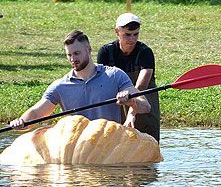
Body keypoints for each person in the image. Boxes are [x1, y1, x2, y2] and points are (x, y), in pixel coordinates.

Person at [9, 30, 151, 131]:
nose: (72, 59)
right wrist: (21, 122)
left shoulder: (115, 75)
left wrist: (131, 101)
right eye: (69, 55)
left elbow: (145, 106)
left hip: (109, 146)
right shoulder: (60, 86)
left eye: (76, 53)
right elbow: (36, 113)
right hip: (75, 151)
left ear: (89, 50)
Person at [96, 13, 160, 141]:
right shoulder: (105, 52)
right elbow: (100, 84)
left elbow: (140, 87)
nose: (132, 39)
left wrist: (132, 113)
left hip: (143, 107)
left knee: (148, 147)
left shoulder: (145, 52)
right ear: (117, 32)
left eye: (136, 34)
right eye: (127, 35)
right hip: (117, 105)